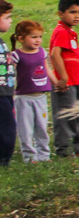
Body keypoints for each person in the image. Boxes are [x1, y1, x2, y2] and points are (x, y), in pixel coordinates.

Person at [49, 0, 79, 158]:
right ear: (60, 14)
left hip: (77, 81)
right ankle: (64, 151)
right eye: (72, 12)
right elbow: (54, 54)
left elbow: (74, 51)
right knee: (66, 117)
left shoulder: (70, 33)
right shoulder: (60, 31)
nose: (77, 16)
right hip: (66, 83)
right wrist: (63, 77)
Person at [11, 20, 51, 164]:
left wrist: (57, 81)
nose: (38, 40)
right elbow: (10, 73)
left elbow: (47, 69)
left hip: (40, 97)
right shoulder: (16, 55)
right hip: (23, 98)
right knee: (26, 128)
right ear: (21, 38)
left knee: (42, 126)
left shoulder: (42, 52)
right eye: (33, 37)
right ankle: (29, 156)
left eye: (39, 37)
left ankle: (44, 155)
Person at [0, 0, 14, 167]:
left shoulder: (2, 42)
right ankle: (3, 159)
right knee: (6, 127)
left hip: (7, 91)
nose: (11, 21)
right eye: (7, 17)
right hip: (1, 93)